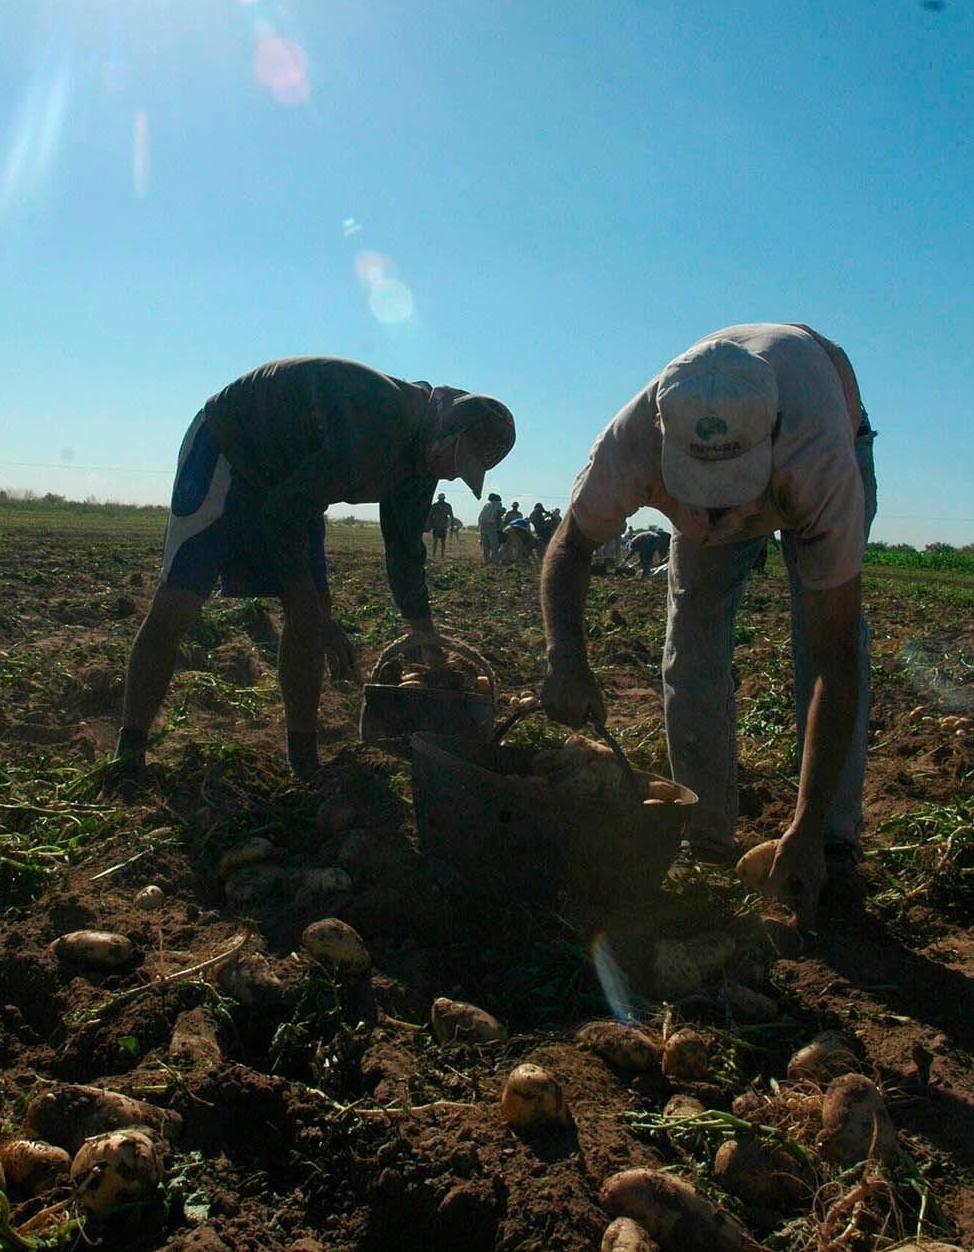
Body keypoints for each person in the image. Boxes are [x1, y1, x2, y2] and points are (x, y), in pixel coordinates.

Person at [540, 323, 876, 928]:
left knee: (820, 639)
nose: (718, 517)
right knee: (689, 643)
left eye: (731, 496)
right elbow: (569, 548)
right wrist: (567, 657)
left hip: (835, 426)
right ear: (665, 443)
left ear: (769, 442)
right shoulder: (632, 440)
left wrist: (805, 826)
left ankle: (827, 844)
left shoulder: (818, 459)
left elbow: (835, 660)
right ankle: (701, 833)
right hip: (750, 449)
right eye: (699, 492)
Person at [113, 359, 514, 778]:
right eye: (455, 460)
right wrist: (317, 616)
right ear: (444, 432)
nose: (451, 476)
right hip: (231, 447)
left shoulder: (422, 460)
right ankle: (129, 750)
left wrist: (431, 651)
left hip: (292, 482)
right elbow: (282, 512)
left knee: (313, 610)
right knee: (181, 599)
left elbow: (404, 551)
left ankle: (303, 757)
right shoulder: (378, 422)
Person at [427, 492, 454, 560]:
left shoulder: (445, 506)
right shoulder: (436, 506)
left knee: (441, 542)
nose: (441, 500)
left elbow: (451, 516)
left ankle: (440, 555)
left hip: (442, 526)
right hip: (438, 526)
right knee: (437, 541)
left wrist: (451, 526)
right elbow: (430, 516)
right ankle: (436, 555)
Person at [478, 492, 503, 562]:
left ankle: (486, 560)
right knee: (494, 545)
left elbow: (480, 516)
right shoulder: (498, 504)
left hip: (483, 526)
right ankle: (495, 561)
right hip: (491, 526)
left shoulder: (486, 505)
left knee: (485, 545)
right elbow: (497, 514)